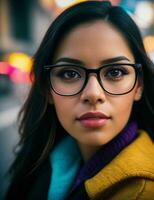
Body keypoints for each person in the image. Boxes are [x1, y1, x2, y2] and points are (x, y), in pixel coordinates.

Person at [6, 1, 154, 199]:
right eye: (69, 74)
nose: (93, 93)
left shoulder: (141, 191)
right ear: (47, 89)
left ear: (139, 86)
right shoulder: (44, 166)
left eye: (115, 72)